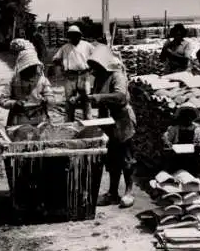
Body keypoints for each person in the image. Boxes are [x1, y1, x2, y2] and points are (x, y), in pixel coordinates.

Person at [72, 46, 137, 208]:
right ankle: (113, 192)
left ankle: (129, 191)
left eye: (98, 65)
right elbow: (94, 96)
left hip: (122, 119)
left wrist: (98, 97)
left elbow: (120, 96)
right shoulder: (100, 77)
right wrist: (81, 98)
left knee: (126, 157)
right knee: (112, 158)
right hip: (107, 119)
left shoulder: (117, 75)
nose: (95, 69)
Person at [0, 44, 54, 126]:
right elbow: (2, 100)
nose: (31, 70)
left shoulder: (42, 80)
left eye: (33, 67)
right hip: (18, 120)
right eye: (28, 68)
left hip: (39, 119)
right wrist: (14, 103)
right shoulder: (14, 81)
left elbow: (51, 98)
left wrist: (46, 100)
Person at [52, 25, 95, 122]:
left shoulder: (87, 45)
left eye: (76, 35)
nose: (74, 37)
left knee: (86, 99)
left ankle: (88, 121)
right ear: (69, 36)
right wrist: (63, 66)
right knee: (70, 101)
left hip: (84, 75)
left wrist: (91, 67)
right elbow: (55, 59)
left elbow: (96, 56)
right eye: (71, 35)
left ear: (80, 35)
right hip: (70, 76)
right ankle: (69, 122)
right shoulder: (65, 47)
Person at [162, 104, 200, 176]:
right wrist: (168, 143)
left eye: (189, 117)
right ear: (181, 117)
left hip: (192, 160)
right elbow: (166, 139)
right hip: (177, 159)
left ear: (193, 118)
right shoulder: (174, 129)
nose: (187, 119)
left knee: (192, 178)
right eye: (184, 116)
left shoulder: (198, 130)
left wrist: (197, 146)